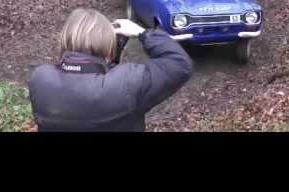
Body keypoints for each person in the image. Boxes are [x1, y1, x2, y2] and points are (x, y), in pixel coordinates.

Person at [28, 8, 193, 132]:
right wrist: (142, 33)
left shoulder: (41, 79)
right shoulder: (127, 84)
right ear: (108, 48)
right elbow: (179, 63)